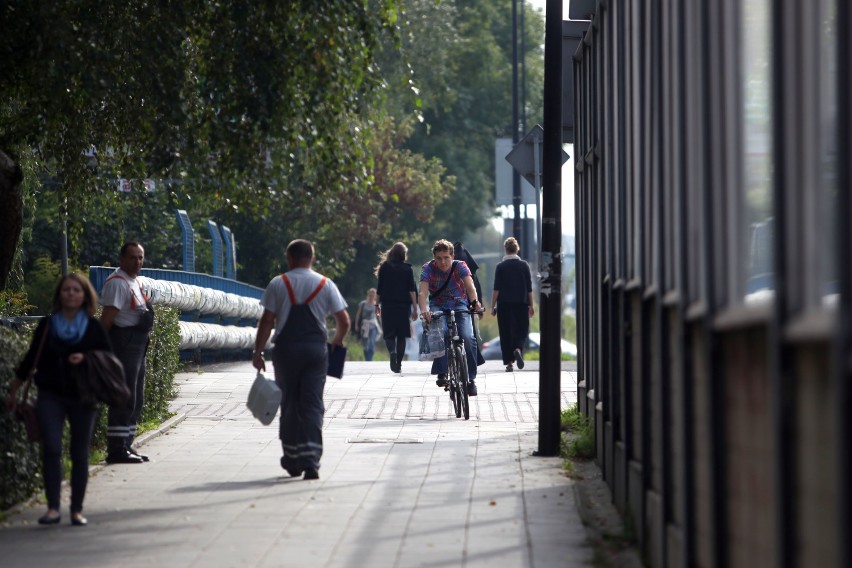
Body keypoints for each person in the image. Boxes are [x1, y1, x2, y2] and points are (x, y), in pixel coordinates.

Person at [6, 274, 113, 526]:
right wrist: (14, 389)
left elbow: (107, 358)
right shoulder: (47, 325)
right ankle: (53, 508)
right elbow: (31, 358)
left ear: (85, 295)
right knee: (52, 449)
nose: (71, 294)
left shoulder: (92, 326)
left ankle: (76, 510)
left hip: (84, 396)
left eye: (76, 290)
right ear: (59, 295)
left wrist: (85, 358)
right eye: (67, 290)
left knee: (79, 453)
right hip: (50, 395)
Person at [252, 239, 350, 481]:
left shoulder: (278, 283)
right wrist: (336, 341)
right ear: (312, 258)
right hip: (316, 352)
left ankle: (292, 459)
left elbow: (267, 320)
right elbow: (344, 320)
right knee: (312, 404)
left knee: (290, 404)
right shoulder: (325, 284)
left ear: (290, 259)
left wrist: (258, 352)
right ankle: (311, 460)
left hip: (286, 352)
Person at [99, 241, 153, 464]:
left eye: (140, 257)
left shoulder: (135, 281)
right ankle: (116, 449)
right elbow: (107, 320)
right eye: (132, 257)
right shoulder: (118, 283)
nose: (137, 261)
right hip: (124, 344)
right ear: (122, 259)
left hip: (138, 344)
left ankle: (127, 444)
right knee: (124, 397)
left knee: (136, 398)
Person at [418, 239, 481, 396]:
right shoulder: (428, 268)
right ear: (434, 257)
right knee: (442, 333)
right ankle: (442, 371)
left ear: (452, 256)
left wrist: (474, 303)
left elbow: (470, 287)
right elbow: (422, 293)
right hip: (438, 305)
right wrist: (424, 309)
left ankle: (471, 379)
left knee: (467, 335)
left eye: (446, 257)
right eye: (439, 258)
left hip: (459, 304)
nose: (443, 262)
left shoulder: (460, 266)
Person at [489, 237, 534, 372]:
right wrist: (532, 306)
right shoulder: (524, 265)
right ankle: (518, 348)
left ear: (505, 249)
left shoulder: (500, 267)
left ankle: (509, 363)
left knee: (506, 332)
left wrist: (492, 306)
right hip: (521, 303)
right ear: (517, 249)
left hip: (504, 304)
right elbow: (529, 288)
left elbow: (496, 288)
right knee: (522, 329)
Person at [375, 242, 418, 372]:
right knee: (401, 336)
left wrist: (377, 305)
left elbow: (379, 289)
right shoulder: (407, 269)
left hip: (387, 305)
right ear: (403, 254)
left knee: (389, 334)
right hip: (403, 307)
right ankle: (398, 363)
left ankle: (392, 352)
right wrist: (415, 308)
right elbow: (412, 290)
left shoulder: (384, 267)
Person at [353, 288, 381, 361]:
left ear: (375, 296)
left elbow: (379, 316)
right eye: (370, 294)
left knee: (372, 342)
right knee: (365, 344)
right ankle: (367, 359)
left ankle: (370, 360)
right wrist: (356, 325)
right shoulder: (363, 304)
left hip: (373, 325)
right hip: (364, 326)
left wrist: (383, 324)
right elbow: (358, 315)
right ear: (368, 294)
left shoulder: (376, 305)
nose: (371, 296)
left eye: (373, 295)